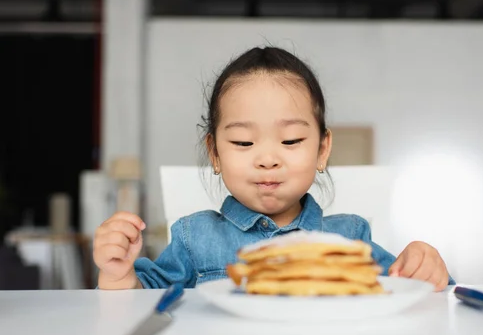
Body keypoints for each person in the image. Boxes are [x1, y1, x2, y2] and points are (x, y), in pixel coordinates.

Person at [93, 46, 455, 291]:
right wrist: (119, 272)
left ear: (322, 149)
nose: (267, 159)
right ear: (214, 154)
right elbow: (140, 305)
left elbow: (418, 294)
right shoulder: (194, 238)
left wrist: (424, 267)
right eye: (244, 143)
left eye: (291, 141)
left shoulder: (350, 238)